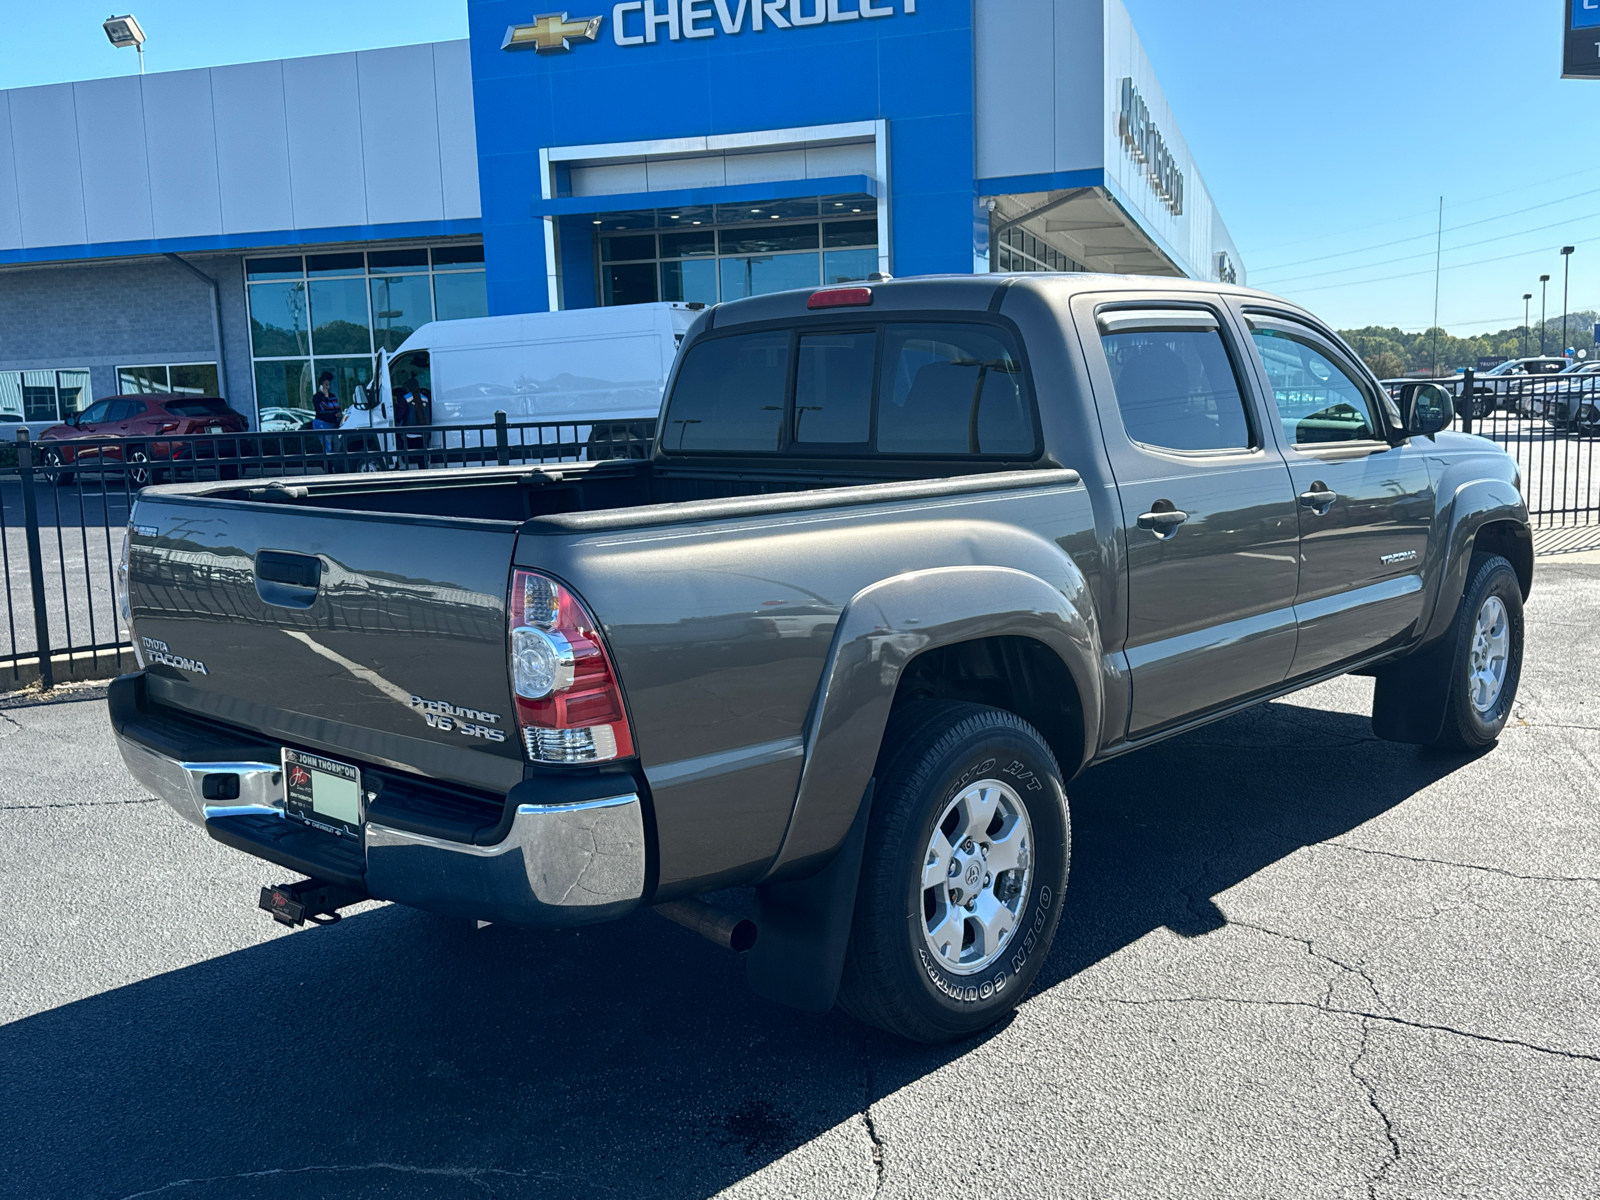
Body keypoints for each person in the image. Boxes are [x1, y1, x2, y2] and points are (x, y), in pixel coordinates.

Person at [311, 371, 344, 469]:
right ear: (321, 385)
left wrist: (339, 414)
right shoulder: (317, 397)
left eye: (329, 385)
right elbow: (323, 407)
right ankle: (328, 467)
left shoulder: (333, 396)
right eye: (326, 385)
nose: (328, 387)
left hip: (332, 424)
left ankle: (331, 464)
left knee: (335, 446)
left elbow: (336, 407)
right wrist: (325, 396)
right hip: (322, 424)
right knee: (327, 446)